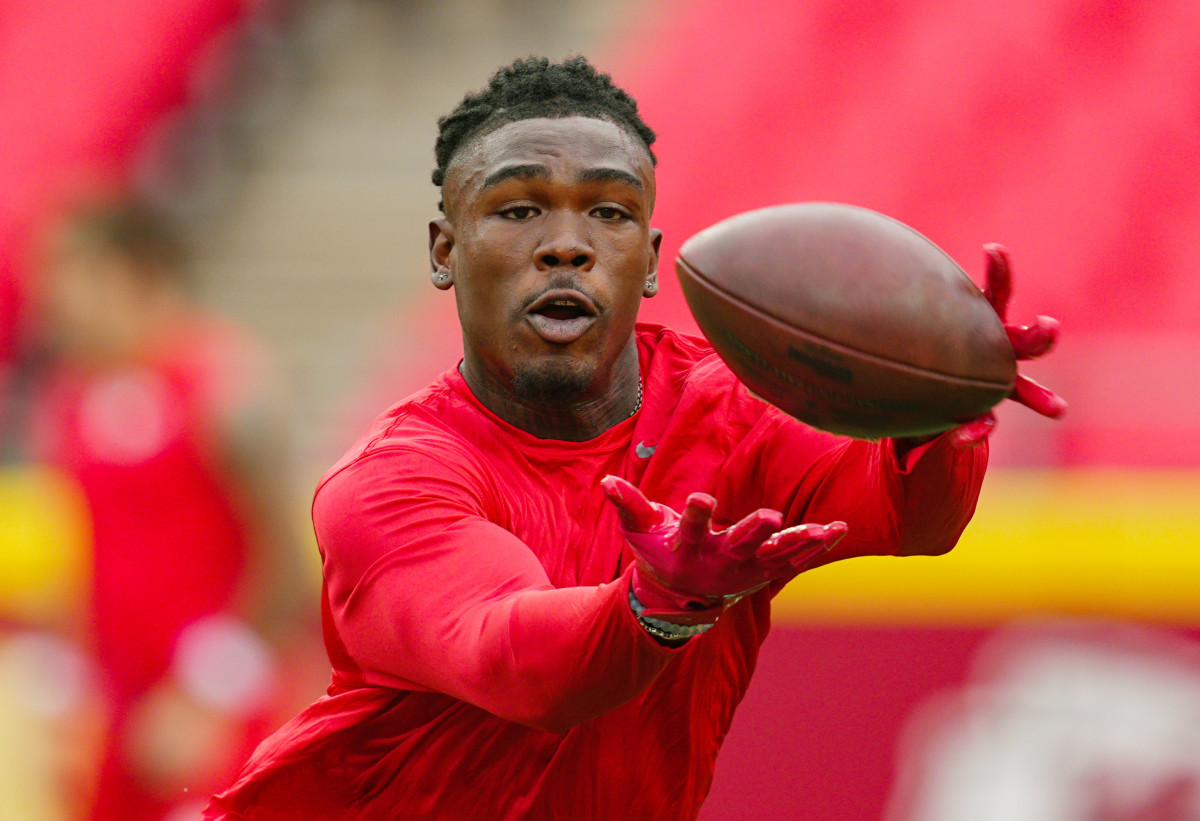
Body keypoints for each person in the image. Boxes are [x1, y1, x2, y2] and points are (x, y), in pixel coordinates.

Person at [205, 56, 1061, 820]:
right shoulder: (391, 484)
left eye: (609, 212)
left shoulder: (732, 414)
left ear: (651, 261)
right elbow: (519, 665)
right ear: (444, 250)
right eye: (518, 209)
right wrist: (657, 606)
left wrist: (934, 412)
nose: (567, 246)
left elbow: (911, 518)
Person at [20, 199, 309, 821]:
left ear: (131, 274)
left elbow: (288, 560)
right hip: (118, 712)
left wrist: (209, 694)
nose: (51, 298)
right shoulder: (65, 398)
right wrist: (64, 686)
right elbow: (80, 556)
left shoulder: (225, 383)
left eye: (70, 274)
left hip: (213, 706)